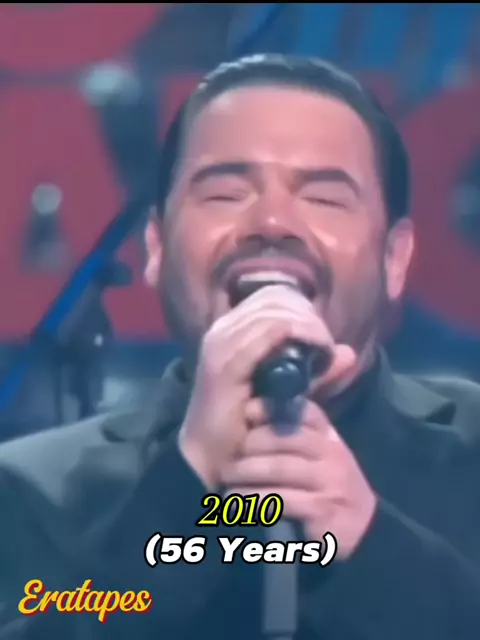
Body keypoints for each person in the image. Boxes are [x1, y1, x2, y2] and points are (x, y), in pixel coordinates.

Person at [1, 54, 480, 640]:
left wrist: (371, 541)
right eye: (226, 193)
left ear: (394, 259)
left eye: (325, 198)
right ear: (156, 247)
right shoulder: (32, 489)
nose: (273, 222)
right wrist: (190, 481)